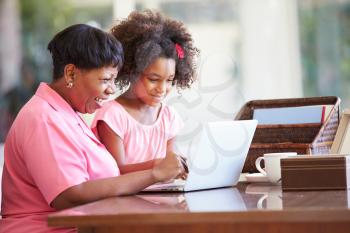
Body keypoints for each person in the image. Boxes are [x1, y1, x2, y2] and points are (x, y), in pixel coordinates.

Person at [0, 24, 186, 233]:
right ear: (70, 74)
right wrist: (154, 174)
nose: (112, 89)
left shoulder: (68, 115)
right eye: (105, 79)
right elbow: (70, 196)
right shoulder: (44, 118)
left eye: (114, 80)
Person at [91, 10, 199, 174]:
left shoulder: (168, 117)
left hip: (162, 197)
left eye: (169, 80)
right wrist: (158, 164)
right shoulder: (112, 116)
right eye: (154, 79)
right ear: (131, 70)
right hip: (123, 198)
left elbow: (169, 167)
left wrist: (180, 167)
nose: (162, 89)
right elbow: (116, 172)